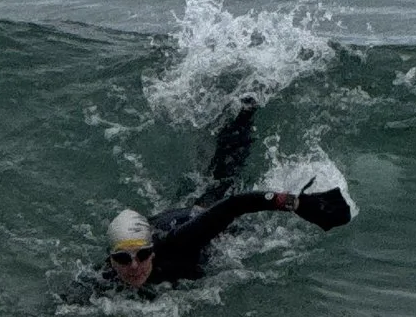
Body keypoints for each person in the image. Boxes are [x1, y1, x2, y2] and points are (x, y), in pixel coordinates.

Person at [83, 100, 352, 298]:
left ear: (152, 250)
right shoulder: (105, 276)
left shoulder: (179, 243)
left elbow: (238, 204)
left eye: (142, 255)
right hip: (171, 218)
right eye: (122, 259)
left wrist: (298, 204)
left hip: (196, 218)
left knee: (225, 177)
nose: (134, 267)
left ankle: (247, 104)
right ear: (111, 260)